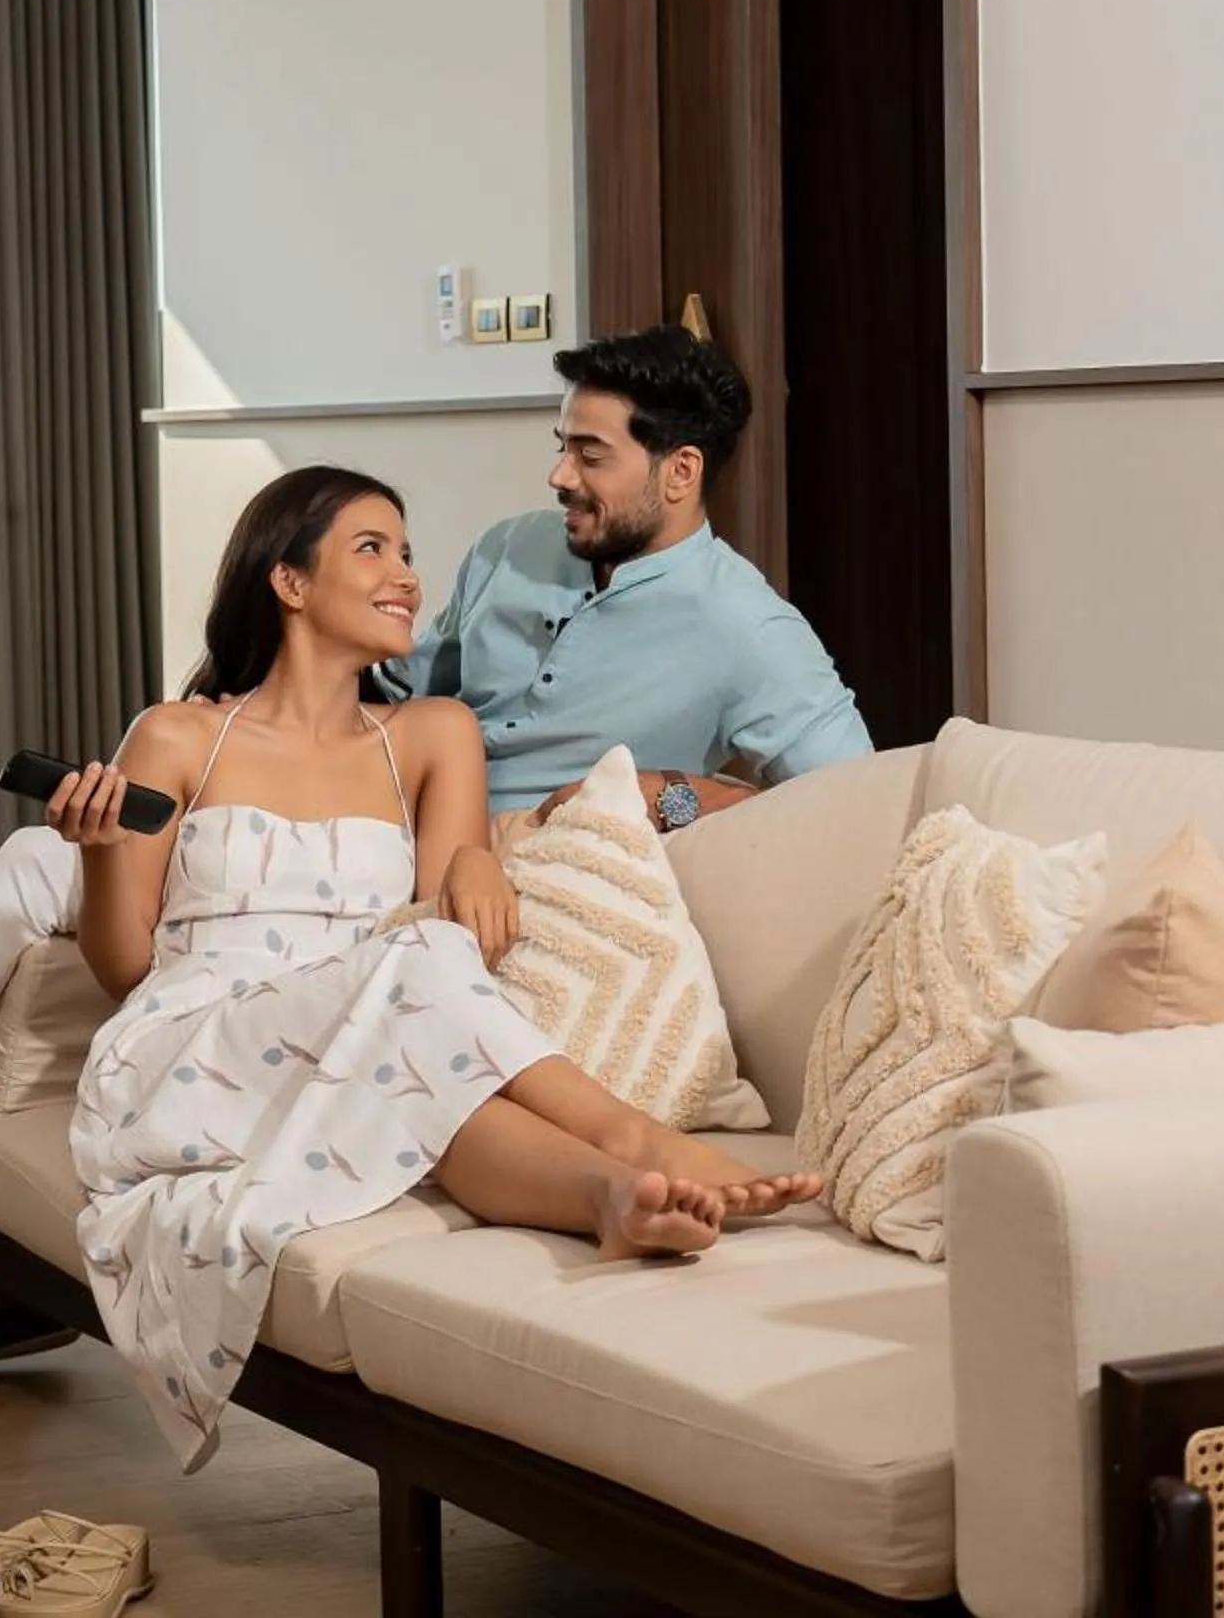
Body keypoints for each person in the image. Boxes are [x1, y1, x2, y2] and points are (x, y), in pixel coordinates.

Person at [0, 325, 867, 1363]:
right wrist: (239, 755)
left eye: (587, 454)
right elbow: (399, 691)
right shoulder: (512, 557)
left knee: (385, 959)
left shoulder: (745, 627)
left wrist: (661, 798)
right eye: (561, 446)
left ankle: (619, 1171)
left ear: (678, 472)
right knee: (42, 859)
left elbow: (854, 789)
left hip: (496, 866)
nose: (556, 478)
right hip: (380, 853)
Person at [59, 465, 817, 1468]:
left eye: (408, 552)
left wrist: (472, 857)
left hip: (367, 1034)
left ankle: (610, 1197)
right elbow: (124, 967)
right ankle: (635, 1135)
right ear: (289, 582)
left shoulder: (429, 733)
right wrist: (98, 846)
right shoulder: (177, 733)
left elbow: (449, 928)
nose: (407, 574)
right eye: (371, 548)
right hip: (197, 1045)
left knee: (425, 1053)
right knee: (416, 964)